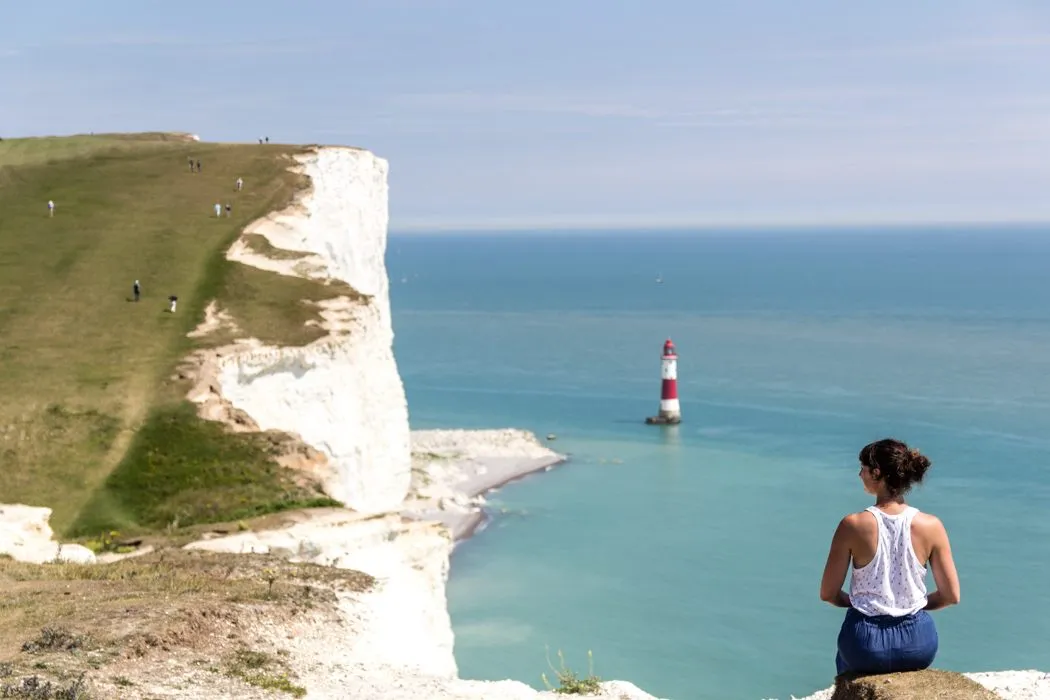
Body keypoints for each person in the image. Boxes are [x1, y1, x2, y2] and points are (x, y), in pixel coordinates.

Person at [820, 439, 960, 677]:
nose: (859, 474)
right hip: (917, 643)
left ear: (877, 473)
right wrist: (910, 606)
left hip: (865, 644)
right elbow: (951, 596)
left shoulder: (852, 525)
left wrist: (857, 603)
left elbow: (828, 593)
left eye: (863, 468)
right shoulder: (931, 525)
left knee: (847, 666)